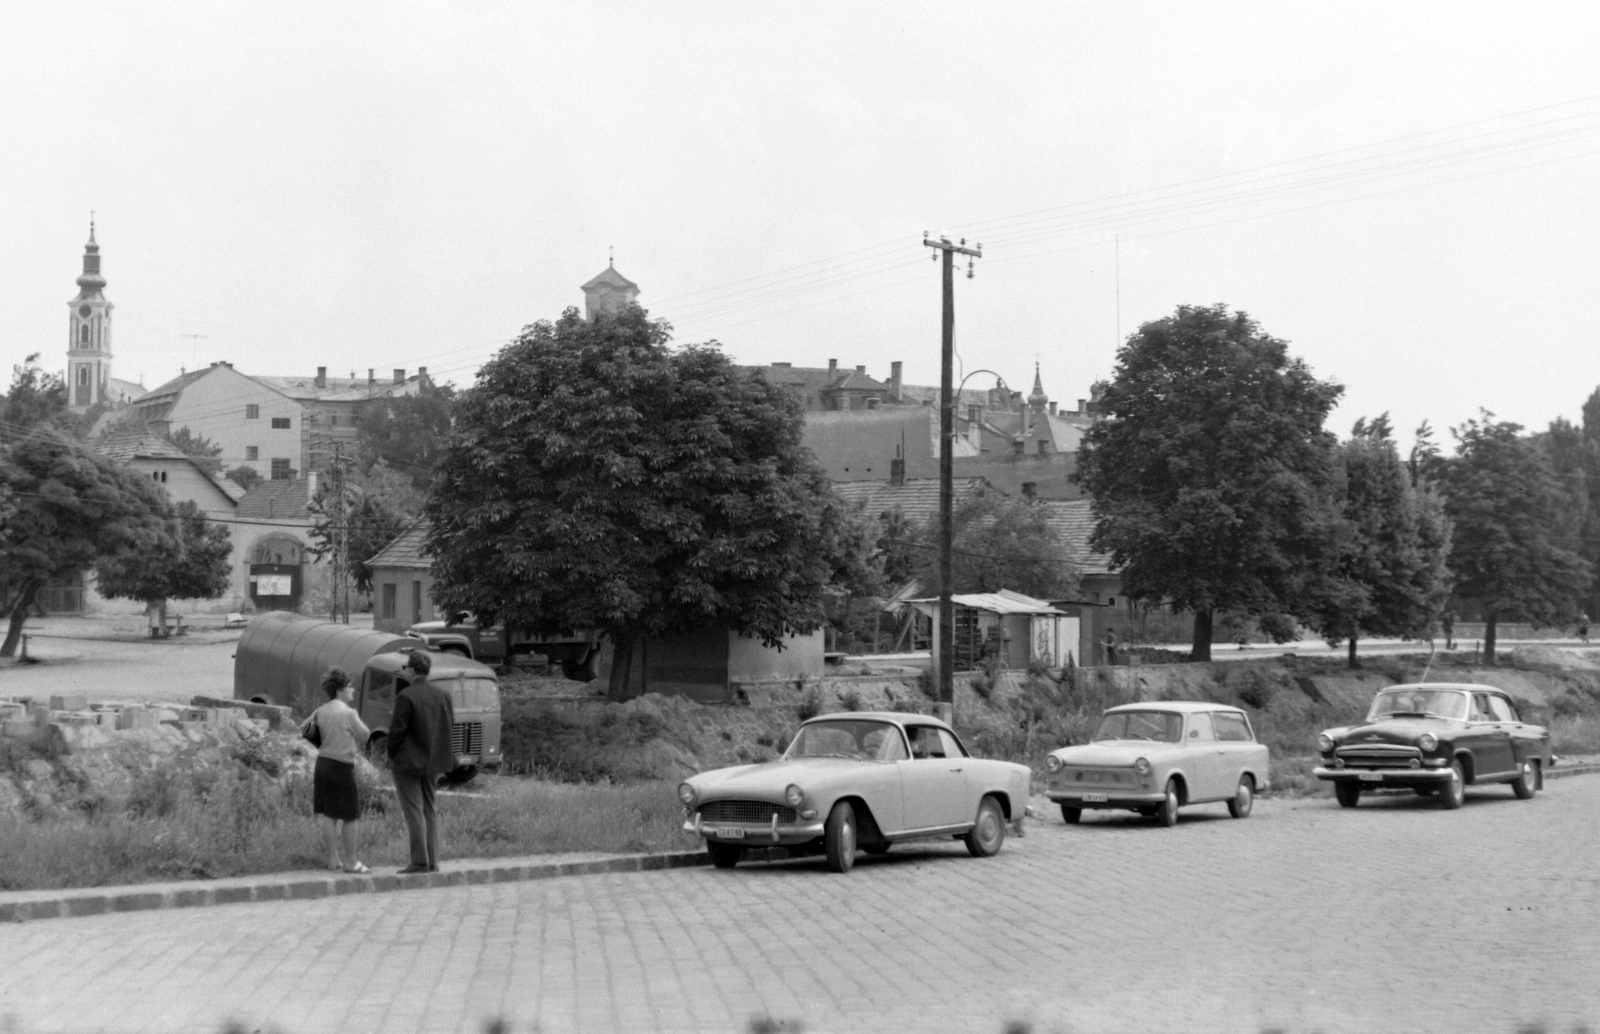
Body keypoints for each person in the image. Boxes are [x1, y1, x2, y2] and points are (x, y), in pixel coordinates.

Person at [387, 650, 456, 874]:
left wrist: (390, 754)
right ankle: (433, 860)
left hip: (408, 762)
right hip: (434, 760)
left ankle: (419, 861)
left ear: (413, 670)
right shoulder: (443, 694)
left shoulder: (406, 696)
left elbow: (397, 731)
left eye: (405, 667)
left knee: (414, 811)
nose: (403, 671)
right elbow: (450, 724)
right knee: (429, 809)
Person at [301, 666, 371, 874]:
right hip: (342, 765)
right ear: (340, 690)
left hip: (322, 764)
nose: (353, 691)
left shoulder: (321, 710)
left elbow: (304, 727)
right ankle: (351, 861)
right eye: (350, 687)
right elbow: (365, 735)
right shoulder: (348, 713)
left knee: (328, 814)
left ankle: (333, 859)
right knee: (350, 815)